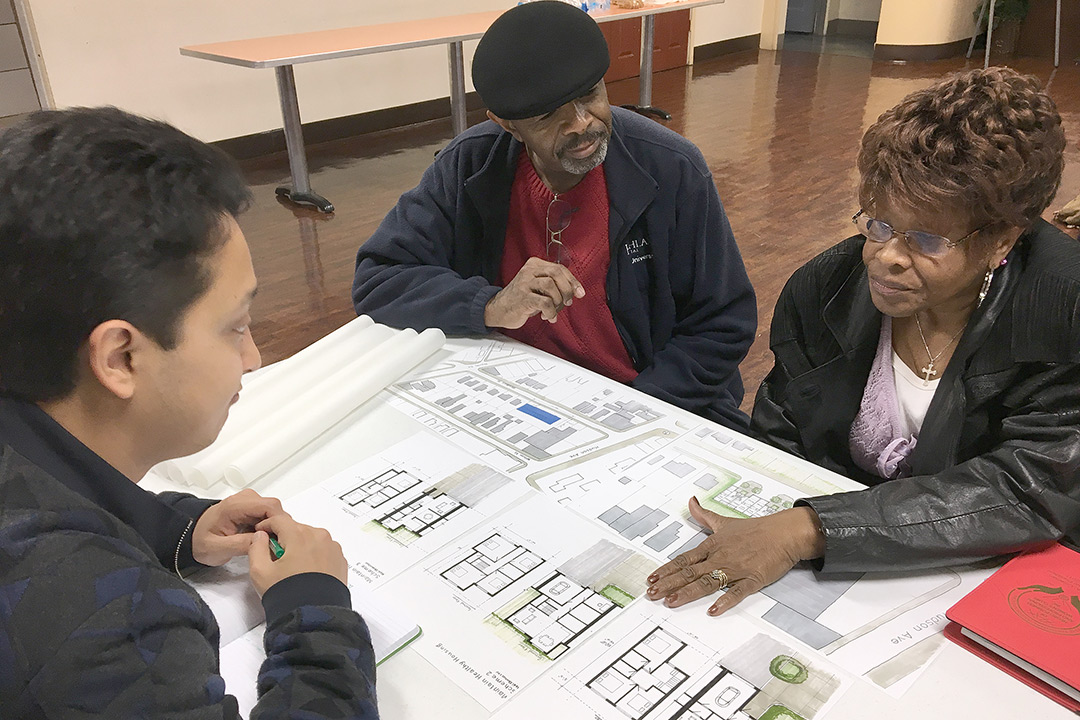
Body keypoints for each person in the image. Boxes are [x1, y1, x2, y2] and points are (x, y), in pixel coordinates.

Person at [646, 67, 1080, 615]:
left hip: (989, 577)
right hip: (842, 567)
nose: (887, 256)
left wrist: (808, 530)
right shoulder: (825, 289)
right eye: (877, 224)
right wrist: (774, 523)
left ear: (1002, 240)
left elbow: (1031, 488)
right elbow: (782, 437)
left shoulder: (1063, 309)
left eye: (925, 239)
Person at [0, 108, 378, 717]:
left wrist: (171, 530)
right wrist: (315, 610)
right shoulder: (107, 624)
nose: (253, 359)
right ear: (121, 356)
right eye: (236, 327)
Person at [352, 1, 756, 430]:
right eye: (549, 116)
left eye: (590, 96)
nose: (582, 124)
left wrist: (632, 411)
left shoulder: (671, 168)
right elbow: (380, 277)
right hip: (515, 396)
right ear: (507, 124)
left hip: (647, 399)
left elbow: (724, 322)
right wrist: (490, 304)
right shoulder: (470, 167)